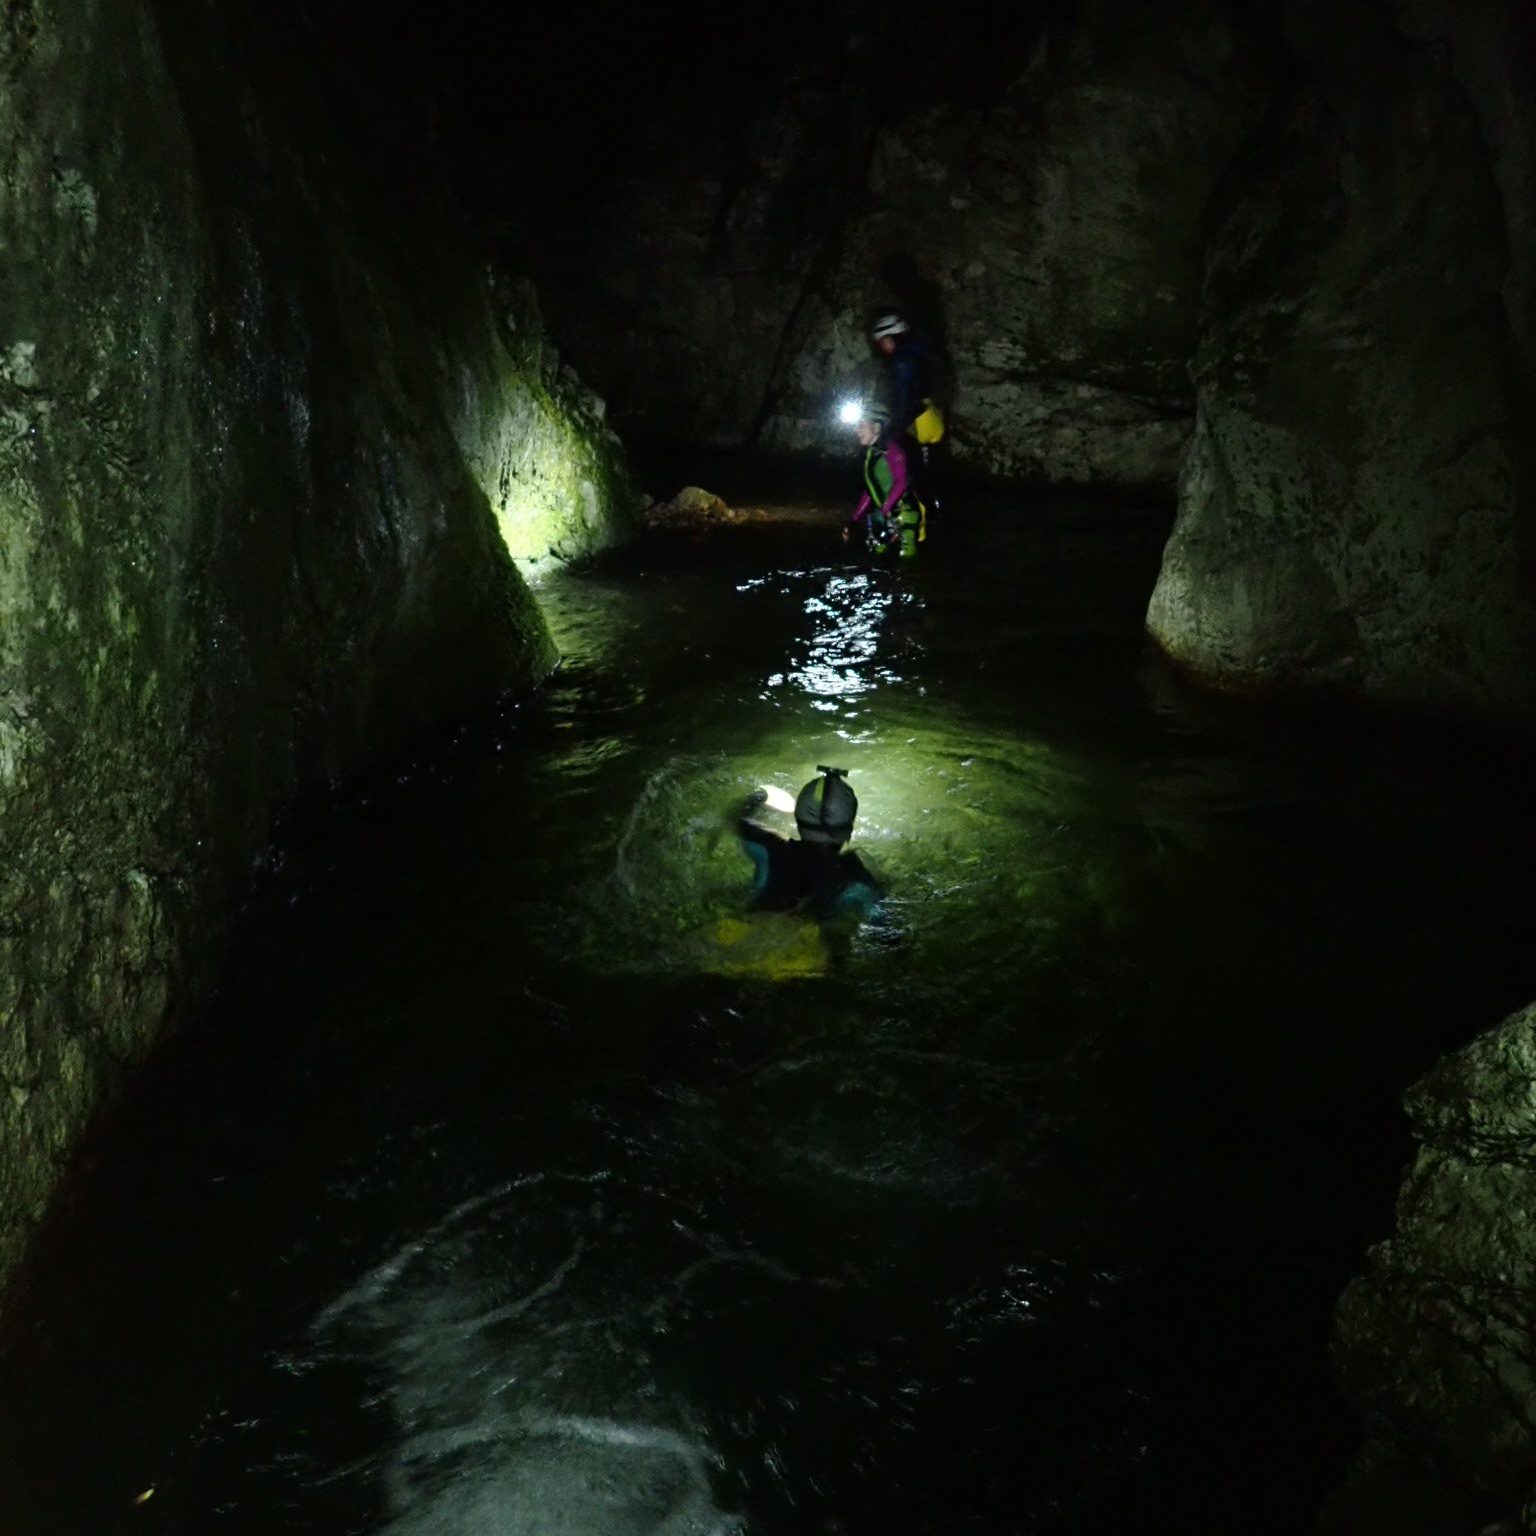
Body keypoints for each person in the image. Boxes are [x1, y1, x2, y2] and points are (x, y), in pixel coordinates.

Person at [735, 767, 878, 923]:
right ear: (849, 831)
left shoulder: (771, 848)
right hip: (808, 936)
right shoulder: (856, 876)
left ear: (798, 821)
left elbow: (738, 820)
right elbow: (884, 930)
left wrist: (762, 796)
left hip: (754, 921)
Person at [872, 312, 946, 517]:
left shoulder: (902, 361)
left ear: (891, 337)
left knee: (912, 473)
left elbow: (903, 397)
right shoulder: (921, 352)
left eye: (882, 342)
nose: (882, 347)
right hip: (932, 416)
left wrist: (891, 430)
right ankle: (936, 513)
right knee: (928, 471)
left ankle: (922, 518)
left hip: (916, 421)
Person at [843, 404, 925, 559]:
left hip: (904, 513)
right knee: (877, 555)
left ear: (876, 427)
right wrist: (853, 521)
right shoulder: (870, 455)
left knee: (906, 558)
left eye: (861, 426)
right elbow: (870, 491)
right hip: (883, 516)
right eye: (856, 426)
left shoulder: (893, 450)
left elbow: (902, 481)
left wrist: (884, 510)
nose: (856, 430)